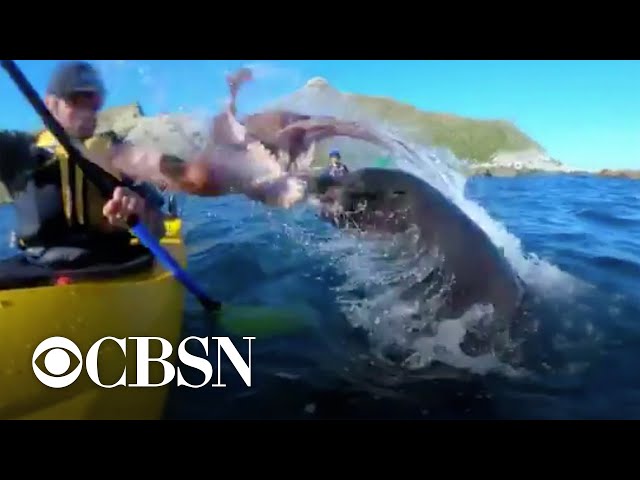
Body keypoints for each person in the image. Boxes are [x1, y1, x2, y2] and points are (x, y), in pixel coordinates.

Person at [0, 61, 176, 277]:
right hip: (39, 269)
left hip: (111, 264)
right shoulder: (17, 150)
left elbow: (160, 227)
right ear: (50, 103)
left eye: (94, 103)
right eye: (76, 100)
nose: (88, 112)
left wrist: (140, 213)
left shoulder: (116, 151)